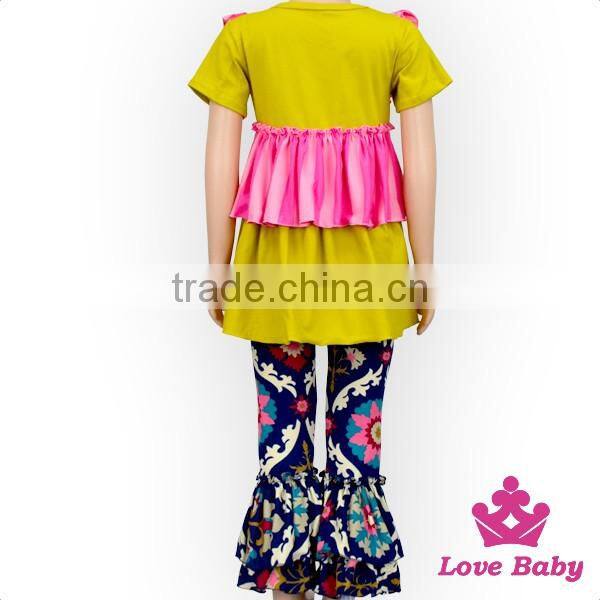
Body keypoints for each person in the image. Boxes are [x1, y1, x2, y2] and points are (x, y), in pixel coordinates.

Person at [188, 1, 452, 597]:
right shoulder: (395, 38)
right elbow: (422, 163)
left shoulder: (247, 36)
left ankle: (289, 581)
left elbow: (218, 159)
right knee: (359, 443)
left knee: (281, 442)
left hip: (273, 268)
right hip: (372, 267)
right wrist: (425, 266)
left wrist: (218, 263)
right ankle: (349, 578)